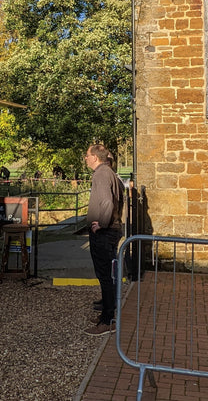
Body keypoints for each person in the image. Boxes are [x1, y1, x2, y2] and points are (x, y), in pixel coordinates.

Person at [83, 143, 125, 336]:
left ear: (95, 158)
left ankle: (107, 320)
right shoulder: (109, 172)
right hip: (110, 231)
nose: (85, 158)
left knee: (105, 276)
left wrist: (101, 224)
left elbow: (107, 202)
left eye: (87, 155)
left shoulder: (101, 174)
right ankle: (106, 316)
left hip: (104, 232)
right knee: (106, 275)